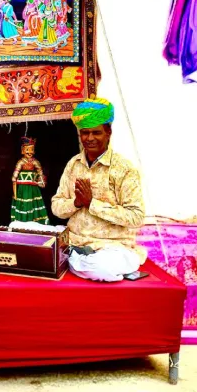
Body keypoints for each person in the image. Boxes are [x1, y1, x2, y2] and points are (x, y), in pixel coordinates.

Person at [51, 97, 146, 282]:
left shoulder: (124, 169)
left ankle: (68, 261)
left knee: (100, 268)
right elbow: (56, 206)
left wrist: (92, 204)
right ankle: (70, 258)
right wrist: (76, 203)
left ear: (108, 132)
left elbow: (136, 217)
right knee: (19, 228)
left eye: (96, 132)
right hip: (74, 240)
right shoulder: (73, 164)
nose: (90, 138)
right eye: (85, 133)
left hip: (111, 248)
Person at [11, 137, 48, 224]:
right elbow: (16, 172)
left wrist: (41, 179)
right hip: (22, 187)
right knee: (24, 203)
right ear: (22, 150)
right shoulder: (21, 162)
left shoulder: (35, 162)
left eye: (32, 150)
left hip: (33, 187)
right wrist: (14, 178)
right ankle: (22, 221)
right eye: (27, 150)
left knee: (33, 203)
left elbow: (40, 172)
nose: (30, 152)